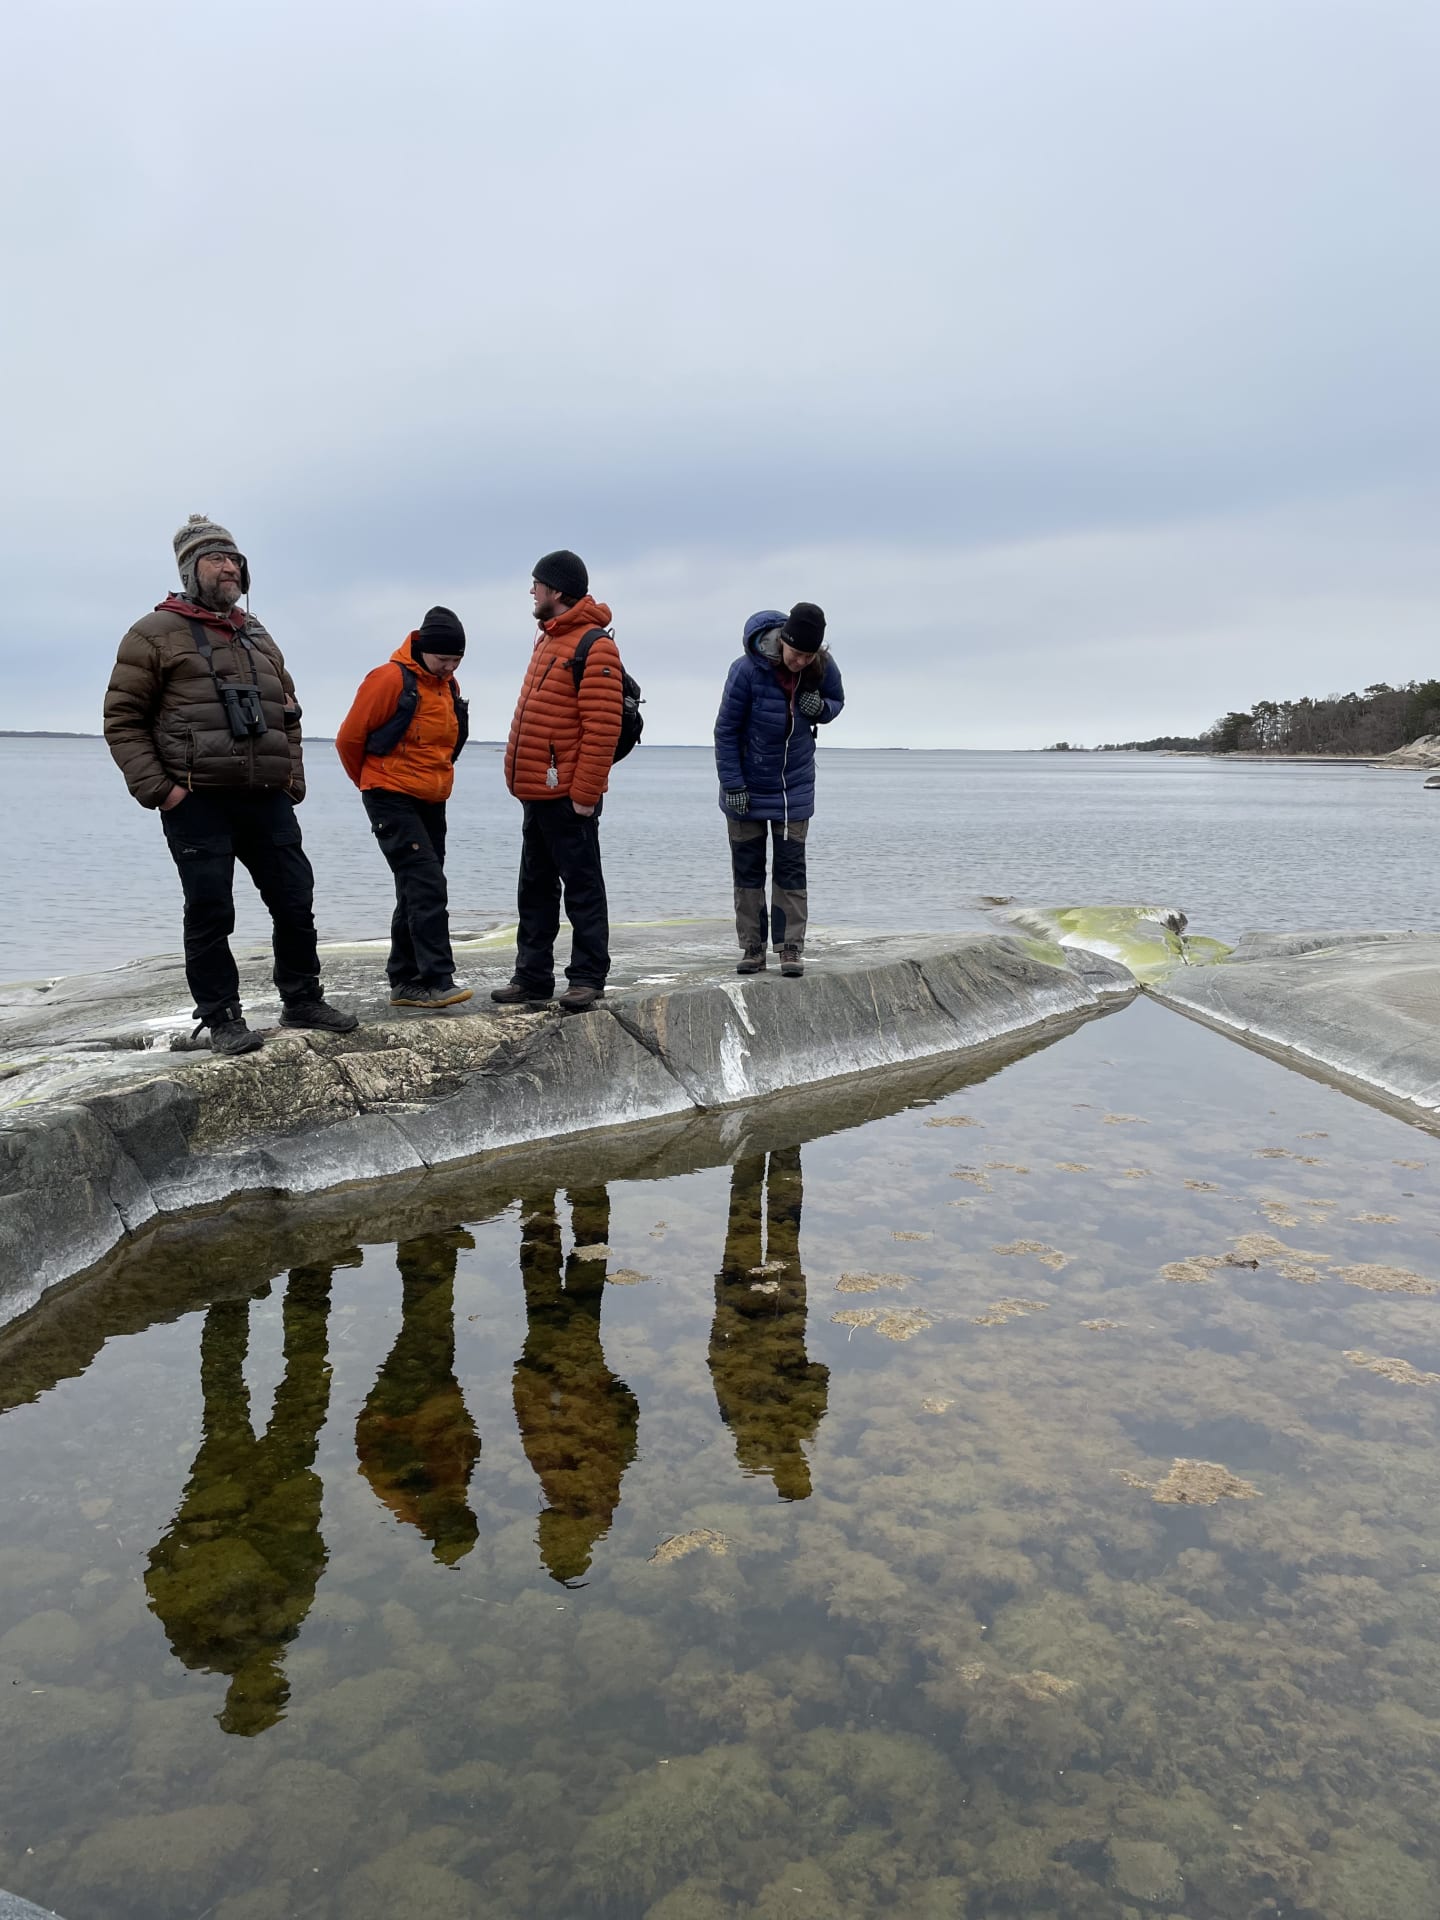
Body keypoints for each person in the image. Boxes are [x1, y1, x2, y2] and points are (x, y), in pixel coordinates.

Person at [103, 515, 358, 1055]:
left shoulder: (257, 634)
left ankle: (303, 999)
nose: (230, 567)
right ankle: (221, 1018)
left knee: (295, 900)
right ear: (190, 570)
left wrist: (292, 780)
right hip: (197, 800)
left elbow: (289, 713)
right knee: (211, 909)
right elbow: (122, 721)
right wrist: (164, 792)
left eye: (235, 559)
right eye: (217, 558)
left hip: (266, 797)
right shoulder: (152, 633)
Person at [492, 550, 623, 1013]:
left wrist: (585, 796)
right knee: (535, 887)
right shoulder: (547, 639)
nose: (532, 591)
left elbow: (603, 728)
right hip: (537, 792)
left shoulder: (595, 646)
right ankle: (532, 977)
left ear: (558, 591)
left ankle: (588, 977)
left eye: (537, 584)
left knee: (582, 888)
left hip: (569, 795)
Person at [335, 607, 472, 1009]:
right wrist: (371, 783)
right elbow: (348, 740)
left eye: (456, 660)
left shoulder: (448, 684)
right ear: (423, 649)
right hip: (390, 795)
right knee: (427, 883)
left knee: (415, 887)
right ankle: (436, 979)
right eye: (443, 659)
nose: (449, 667)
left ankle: (404, 980)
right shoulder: (389, 679)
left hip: (431, 799)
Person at [713, 601, 845, 977]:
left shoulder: (822, 667)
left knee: (790, 872)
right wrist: (733, 784)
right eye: (796, 653)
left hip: (794, 789)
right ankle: (752, 948)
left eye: (809, 655)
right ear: (782, 641)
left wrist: (820, 707)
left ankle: (790, 948)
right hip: (746, 788)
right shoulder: (745, 671)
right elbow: (724, 732)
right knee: (748, 871)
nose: (801, 661)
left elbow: (837, 703)